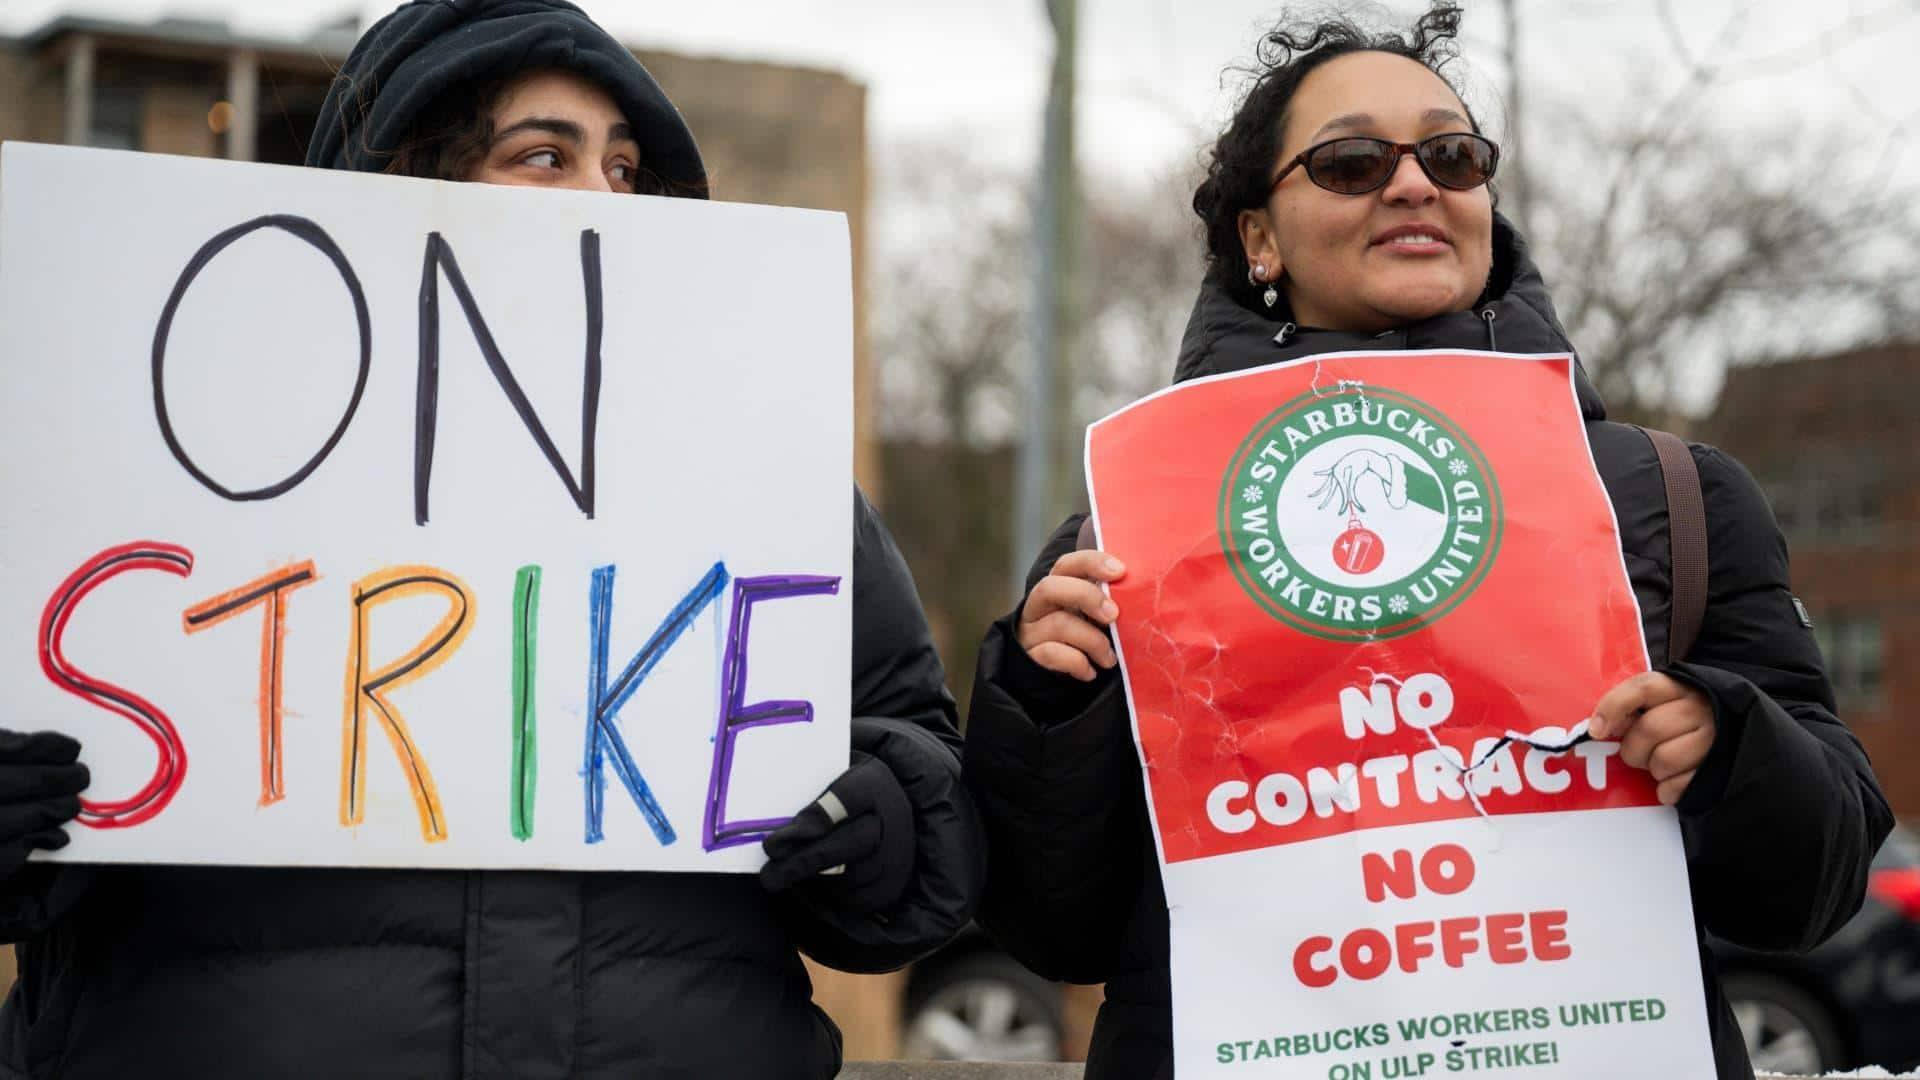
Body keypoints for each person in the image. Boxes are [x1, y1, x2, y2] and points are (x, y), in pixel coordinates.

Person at [0, 2, 982, 1076]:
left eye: (623, 168)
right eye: (544, 156)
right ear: (408, 182)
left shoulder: (751, 473)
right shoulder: (173, 443)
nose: (600, 197)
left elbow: (915, 760)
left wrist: (881, 817)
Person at [961, 7, 1892, 1079]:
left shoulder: (1676, 496)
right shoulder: (1130, 529)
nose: (1414, 184)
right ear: (1258, 238)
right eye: (1353, 161)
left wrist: (1729, 747)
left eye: (1451, 154)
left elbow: (1816, 888)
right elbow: (1050, 928)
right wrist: (1048, 705)